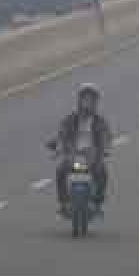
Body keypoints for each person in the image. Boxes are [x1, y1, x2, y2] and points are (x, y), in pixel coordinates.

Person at [50, 84, 112, 218]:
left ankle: (96, 203)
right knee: (60, 171)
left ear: (95, 102)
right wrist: (58, 147)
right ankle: (64, 203)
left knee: (102, 173)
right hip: (73, 156)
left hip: (92, 157)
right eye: (85, 99)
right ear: (79, 100)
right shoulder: (70, 119)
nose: (87, 103)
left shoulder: (100, 122)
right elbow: (62, 134)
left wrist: (106, 148)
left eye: (91, 100)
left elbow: (105, 136)